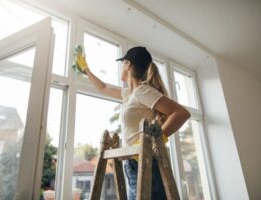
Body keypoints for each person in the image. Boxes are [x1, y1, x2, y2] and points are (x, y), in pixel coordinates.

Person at [75, 46, 191, 200]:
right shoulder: (128, 94)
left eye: (122, 63)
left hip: (145, 162)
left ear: (128, 64)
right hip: (133, 163)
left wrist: (155, 140)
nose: (121, 67)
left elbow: (181, 113)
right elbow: (103, 88)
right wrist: (86, 70)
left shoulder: (143, 92)